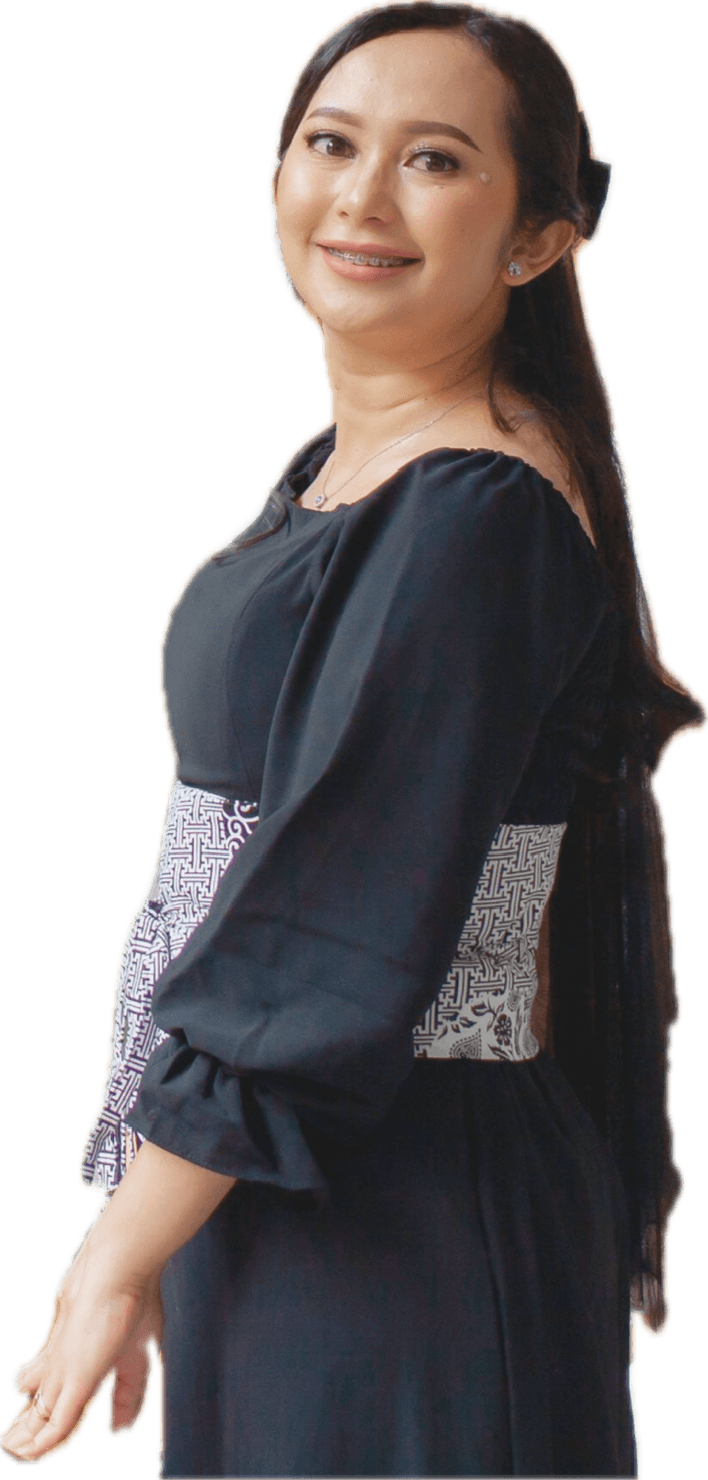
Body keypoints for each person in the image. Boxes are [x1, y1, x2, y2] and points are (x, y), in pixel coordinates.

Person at [1, 3, 705, 1476]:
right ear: (275, 175)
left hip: (399, 1208)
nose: (362, 197)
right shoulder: (347, 468)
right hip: (276, 1187)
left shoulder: (473, 513)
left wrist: (119, 1251)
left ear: (537, 237)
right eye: (330, 143)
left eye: (435, 160)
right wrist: (164, 1229)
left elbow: (323, 932)